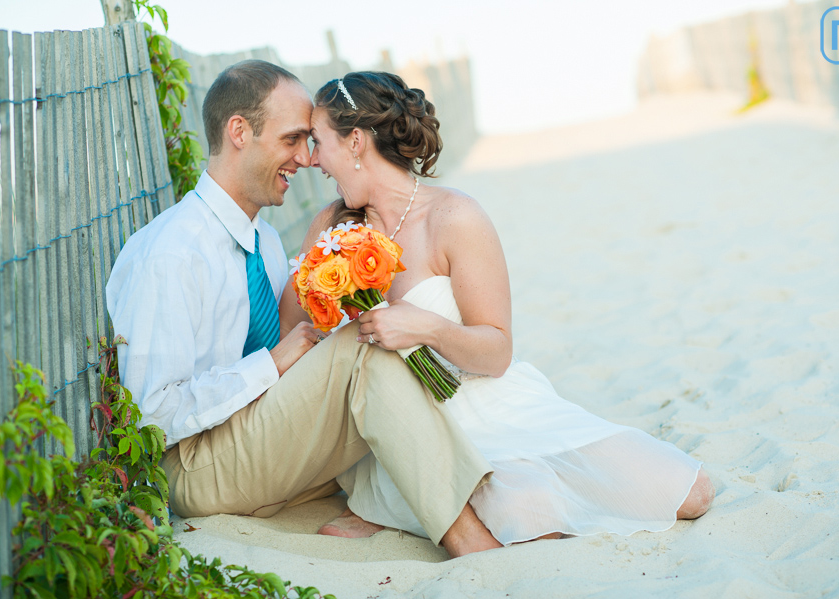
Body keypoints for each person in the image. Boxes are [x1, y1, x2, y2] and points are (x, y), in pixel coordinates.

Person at [279, 71, 715, 545]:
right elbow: (294, 330)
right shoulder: (330, 227)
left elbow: (497, 352)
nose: (310, 160)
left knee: (690, 492)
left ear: (357, 142)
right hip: (406, 428)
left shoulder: (455, 217)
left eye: (318, 142)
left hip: (494, 400)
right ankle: (407, 503)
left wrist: (426, 328)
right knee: (526, 511)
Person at [105, 60, 503, 558]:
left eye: (310, 141)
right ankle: (471, 543)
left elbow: (299, 352)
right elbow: (151, 416)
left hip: (256, 442)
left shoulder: (264, 240)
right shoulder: (173, 252)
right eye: (293, 139)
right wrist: (271, 365)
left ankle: (440, 513)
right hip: (193, 466)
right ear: (239, 132)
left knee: (361, 345)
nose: (305, 158)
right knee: (363, 346)